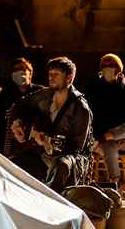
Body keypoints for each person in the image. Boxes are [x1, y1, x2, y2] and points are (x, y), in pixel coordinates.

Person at [10, 57, 93, 194]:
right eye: (50, 74)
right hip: (41, 154)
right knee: (11, 164)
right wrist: (17, 123)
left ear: (69, 77)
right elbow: (21, 103)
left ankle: (53, 206)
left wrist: (48, 142)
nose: (51, 77)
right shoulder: (45, 94)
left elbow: (76, 146)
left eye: (56, 74)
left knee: (60, 166)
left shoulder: (81, 108)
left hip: (69, 158)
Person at [85, 54, 125, 184]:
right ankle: (115, 185)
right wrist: (104, 136)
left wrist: (118, 136)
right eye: (104, 66)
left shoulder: (124, 89)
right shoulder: (94, 89)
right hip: (100, 138)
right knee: (111, 149)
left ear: (118, 69)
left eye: (111, 66)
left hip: (121, 136)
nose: (107, 68)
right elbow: (89, 117)